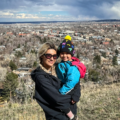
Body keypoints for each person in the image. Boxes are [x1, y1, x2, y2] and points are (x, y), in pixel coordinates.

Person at [31, 42, 79, 120]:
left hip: (71, 112)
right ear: (42, 56)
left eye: (54, 56)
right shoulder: (41, 77)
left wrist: (76, 95)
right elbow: (57, 99)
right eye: (48, 55)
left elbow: (75, 80)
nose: (52, 58)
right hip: (57, 117)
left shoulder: (59, 68)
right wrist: (71, 97)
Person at [56, 35, 84, 114]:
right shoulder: (64, 63)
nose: (64, 55)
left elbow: (72, 82)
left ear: (72, 54)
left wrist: (60, 92)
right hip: (67, 88)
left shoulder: (72, 67)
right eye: (62, 53)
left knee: (69, 109)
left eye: (67, 53)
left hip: (69, 90)